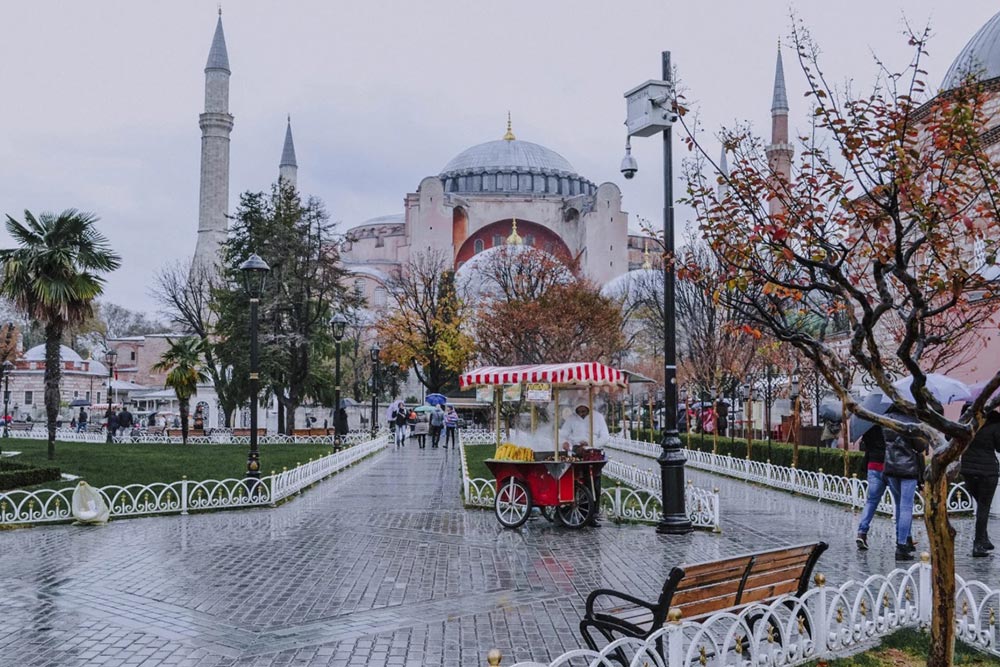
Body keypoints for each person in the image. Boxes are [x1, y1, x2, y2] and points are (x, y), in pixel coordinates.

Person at [883, 422, 927, 561]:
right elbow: (920, 447)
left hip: (891, 467)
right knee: (906, 507)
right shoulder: (909, 422)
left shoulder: (885, 421)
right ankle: (901, 546)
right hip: (907, 469)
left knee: (899, 506)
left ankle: (904, 540)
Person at [961, 408, 1000, 557]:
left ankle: (984, 539)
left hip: (968, 470)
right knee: (984, 507)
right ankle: (978, 543)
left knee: (981, 506)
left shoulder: (968, 423)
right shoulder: (994, 424)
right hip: (987, 471)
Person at [855, 425, 888, 551]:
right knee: (900, 502)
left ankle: (861, 532)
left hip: (873, 465)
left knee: (871, 501)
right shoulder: (892, 422)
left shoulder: (869, 424)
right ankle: (903, 539)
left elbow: (865, 444)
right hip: (889, 465)